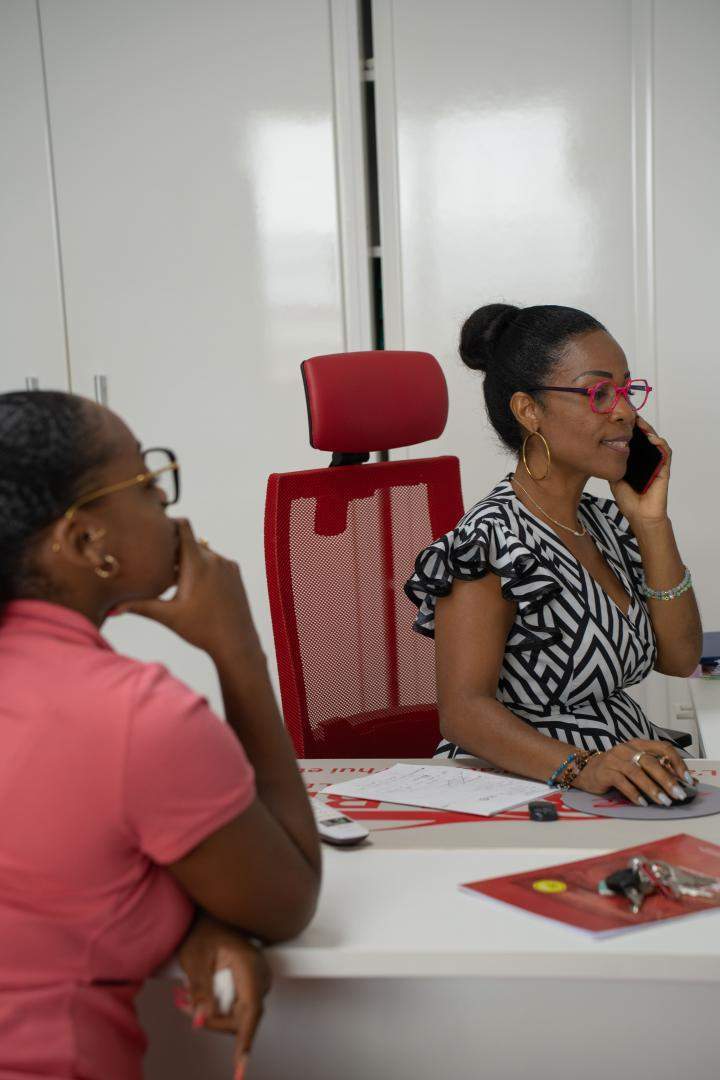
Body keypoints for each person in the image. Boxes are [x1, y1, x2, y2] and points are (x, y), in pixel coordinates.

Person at [0, 391, 321, 1080]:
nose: (166, 508)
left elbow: (54, 890)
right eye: (146, 485)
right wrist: (238, 650)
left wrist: (203, 917)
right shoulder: (135, 717)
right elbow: (289, 897)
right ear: (87, 542)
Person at [405, 304, 702, 805]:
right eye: (599, 392)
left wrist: (652, 524)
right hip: (525, 788)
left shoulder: (605, 523)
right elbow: (463, 712)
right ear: (529, 410)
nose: (626, 410)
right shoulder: (491, 542)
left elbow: (680, 658)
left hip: (621, 774)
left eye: (627, 389)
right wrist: (584, 768)